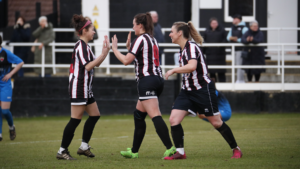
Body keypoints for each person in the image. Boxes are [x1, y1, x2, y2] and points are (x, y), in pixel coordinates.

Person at [164, 21, 242, 160]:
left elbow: (192, 66)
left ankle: (236, 149)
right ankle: (180, 152)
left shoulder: (192, 47)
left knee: (216, 122)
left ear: (180, 33)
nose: (170, 34)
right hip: (187, 91)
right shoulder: (181, 50)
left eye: (172, 31)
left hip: (203, 90)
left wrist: (173, 70)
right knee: (174, 119)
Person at [111, 12, 176, 159]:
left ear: (140, 25)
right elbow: (141, 58)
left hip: (147, 81)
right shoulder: (152, 39)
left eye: (134, 24)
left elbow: (127, 61)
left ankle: (170, 148)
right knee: (139, 115)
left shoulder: (140, 39)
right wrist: (129, 47)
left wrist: (114, 49)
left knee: (155, 115)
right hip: (157, 80)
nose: (133, 27)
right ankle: (134, 151)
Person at [56, 14, 110, 160]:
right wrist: (103, 54)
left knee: (95, 115)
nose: (94, 32)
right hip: (79, 87)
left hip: (86, 88)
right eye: (92, 29)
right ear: (84, 30)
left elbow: (96, 64)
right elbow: (87, 67)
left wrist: (105, 53)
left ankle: (84, 146)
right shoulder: (81, 46)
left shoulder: (86, 46)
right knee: (75, 120)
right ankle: (62, 151)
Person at [0, 35, 24, 141]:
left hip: (5, 84)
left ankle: (11, 127)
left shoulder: (5, 53)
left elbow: (20, 62)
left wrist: (10, 74)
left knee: (5, 111)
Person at [202, 17, 227, 82]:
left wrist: (220, 46)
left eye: (215, 23)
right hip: (210, 54)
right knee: (211, 71)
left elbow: (225, 40)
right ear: (210, 24)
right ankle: (212, 85)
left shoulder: (222, 30)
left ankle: (223, 84)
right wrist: (203, 51)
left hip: (220, 54)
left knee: (221, 71)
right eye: (213, 23)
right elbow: (204, 41)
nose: (214, 24)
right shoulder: (207, 31)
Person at [227, 14, 248, 83]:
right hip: (234, 49)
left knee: (240, 65)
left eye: (234, 19)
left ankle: (240, 80)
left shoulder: (244, 28)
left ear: (238, 19)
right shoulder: (233, 27)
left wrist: (237, 39)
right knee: (236, 65)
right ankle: (239, 80)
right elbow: (228, 37)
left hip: (241, 49)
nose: (233, 20)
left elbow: (245, 38)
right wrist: (232, 38)